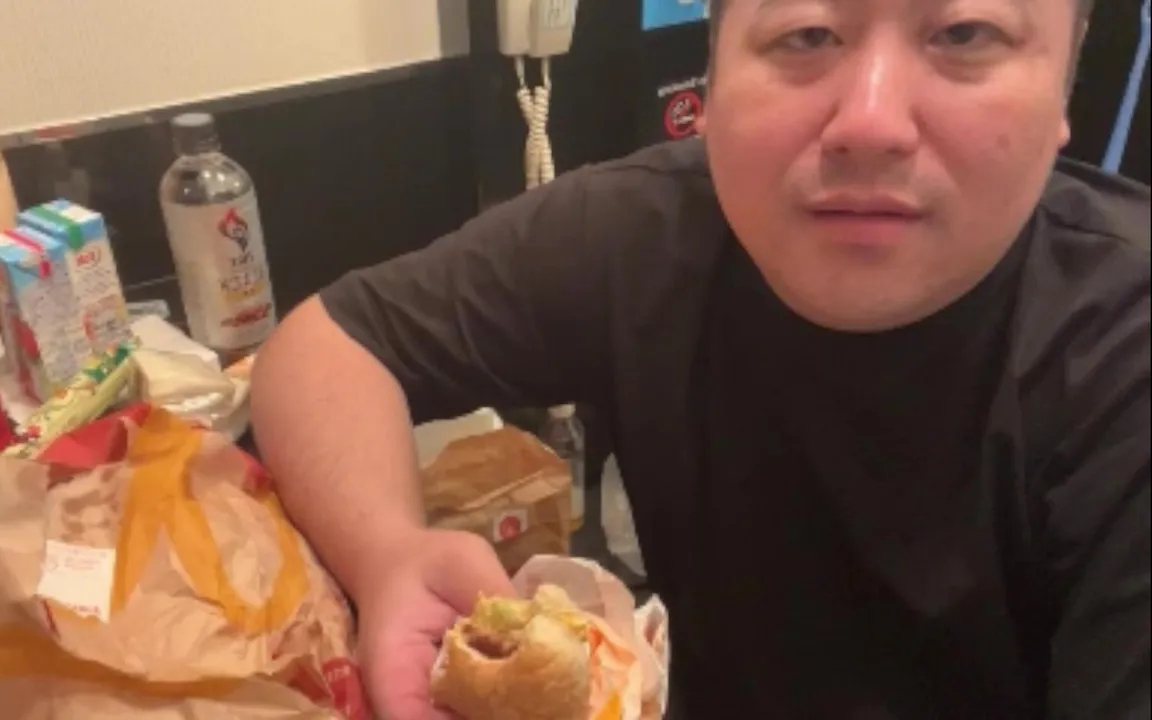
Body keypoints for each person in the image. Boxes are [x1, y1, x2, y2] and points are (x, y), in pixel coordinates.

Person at [251, 0, 1150, 717]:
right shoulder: (640, 234)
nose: (870, 121)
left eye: (965, 34)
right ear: (712, 81)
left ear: (1063, 89)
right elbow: (332, 343)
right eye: (807, 34)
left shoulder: (1124, 349)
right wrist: (388, 554)